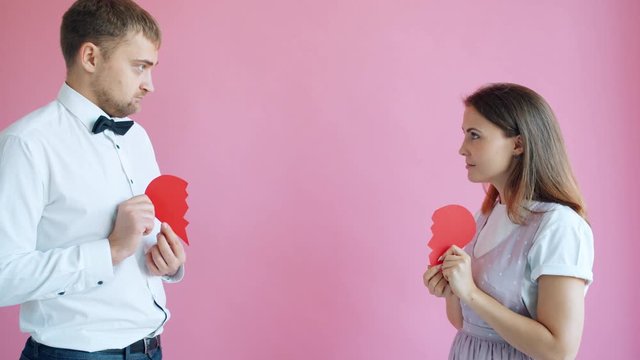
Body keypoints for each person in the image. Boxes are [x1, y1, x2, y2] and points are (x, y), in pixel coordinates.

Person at [0, 1, 186, 359]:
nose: (150, 85)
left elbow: (145, 242)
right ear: (90, 57)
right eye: (139, 67)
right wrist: (111, 250)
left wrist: (170, 264)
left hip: (150, 349)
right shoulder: (27, 145)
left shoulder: (137, 138)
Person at [423, 83, 594, 359]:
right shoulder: (483, 218)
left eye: (475, 135)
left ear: (518, 144)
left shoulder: (559, 227)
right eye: (465, 135)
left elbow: (560, 350)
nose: (462, 149)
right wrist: (451, 291)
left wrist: (471, 294)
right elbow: (467, 325)